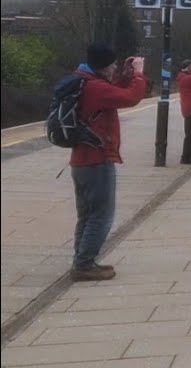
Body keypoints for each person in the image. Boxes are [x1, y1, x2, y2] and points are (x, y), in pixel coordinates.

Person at [68, 44, 148, 281]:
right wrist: (140, 74)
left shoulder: (83, 82)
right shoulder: (95, 87)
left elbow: (113, 96)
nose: (114, 67)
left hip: (81, 161)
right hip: (97, 160)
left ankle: (82, 259)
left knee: (87, 215)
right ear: (102, 66)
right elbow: (131, 98)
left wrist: (124, 75)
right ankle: (83, 265)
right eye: (112, 64)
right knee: (101, 215)